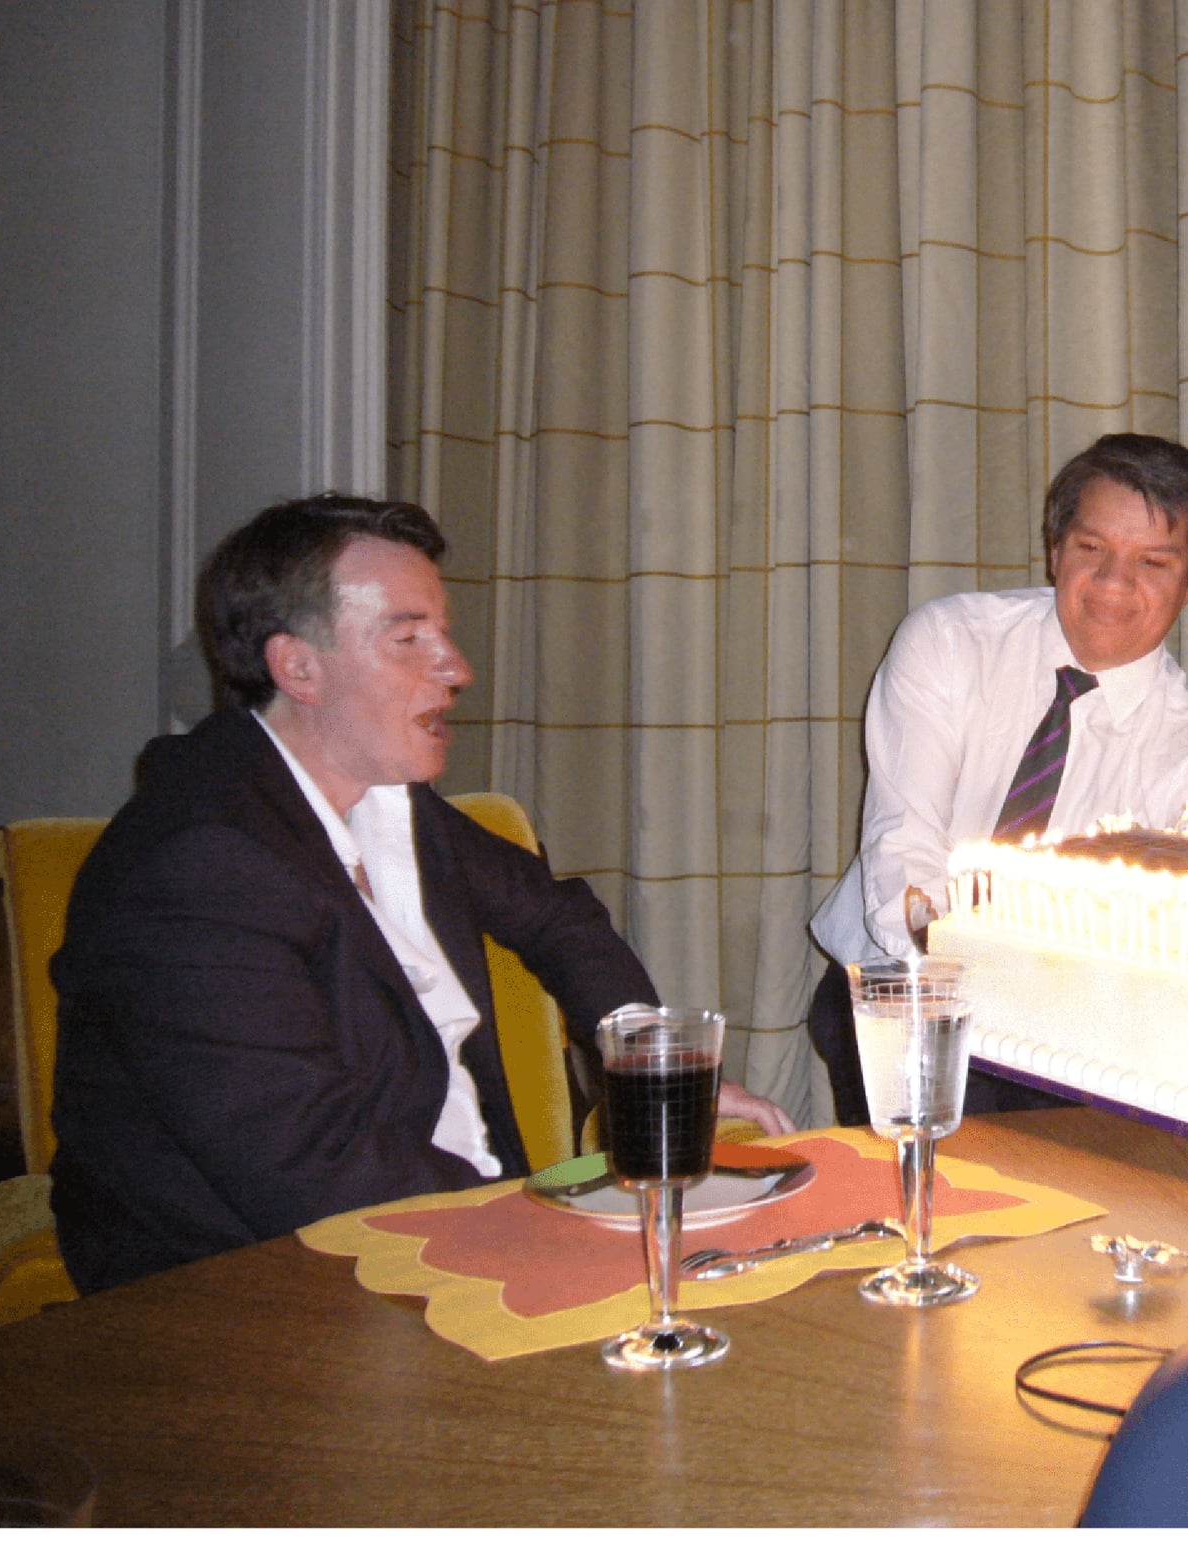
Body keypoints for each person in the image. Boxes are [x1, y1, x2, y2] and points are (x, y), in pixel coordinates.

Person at [50, 495, 788, 1293]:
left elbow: (558, 919)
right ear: (297, 667)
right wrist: (555, 1241)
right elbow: (313, 1173)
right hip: (259, 1304)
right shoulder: (199, 869)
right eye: (409, 639)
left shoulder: (385, 805)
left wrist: (654, 1069)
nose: (457, 668)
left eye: (443, 633)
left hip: (442, 1239)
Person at [808, 434, 1188, 1120]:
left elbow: (1187, 955)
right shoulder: (950, 643)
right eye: (1091, 549)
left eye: (1152, 562)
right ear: (1055, 549)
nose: (1112, 583)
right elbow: (904, 853)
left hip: (1072, 1042)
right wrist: (949, 1007)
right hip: (899, 989)